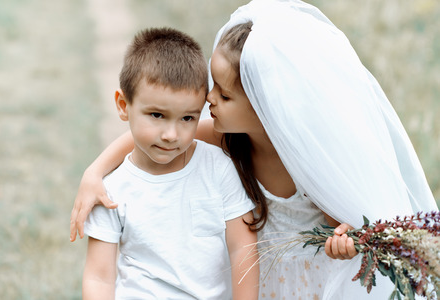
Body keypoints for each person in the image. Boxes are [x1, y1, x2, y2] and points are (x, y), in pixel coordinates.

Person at [73, 1, 438, 299]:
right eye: (212, 86)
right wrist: (95, 172)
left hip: (315, 285)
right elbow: (142, 137)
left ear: (267, 105)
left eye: (224, 94)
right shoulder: (226, 137)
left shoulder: (311, 158)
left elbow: (348, 220)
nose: (207, 100)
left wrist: (346, 237)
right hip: (261, 282)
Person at [81, 27, 259, 300]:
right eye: (157, 115)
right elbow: (99, 278)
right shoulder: (111, 191)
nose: (171, 135)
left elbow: (242, 249)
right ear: (123, 105)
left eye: (187, 118)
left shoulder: (218, 168)